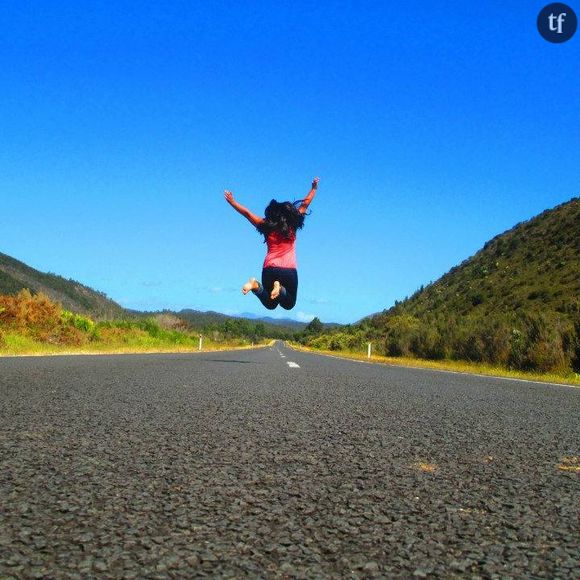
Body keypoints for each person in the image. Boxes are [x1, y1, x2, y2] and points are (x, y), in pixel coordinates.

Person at [224, 177, 319, 310]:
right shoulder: (292, 226)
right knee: (289, 304)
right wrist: (314, 188)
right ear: (288, 213)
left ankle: (255, 285)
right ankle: (279, 289)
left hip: (269, 269)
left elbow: (247, 214)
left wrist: (232, 202)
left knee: (270, 303)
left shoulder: (266, 225)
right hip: (288, 270)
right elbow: (305, 205)